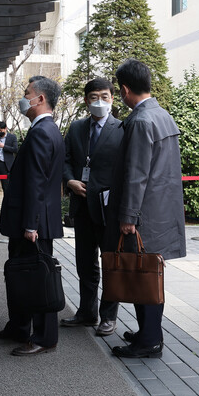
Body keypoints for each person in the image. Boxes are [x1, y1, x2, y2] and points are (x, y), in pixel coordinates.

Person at [105, 59, 186, 359]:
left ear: (125, 90)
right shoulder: (161, 115)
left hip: (143, 214)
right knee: (150, 273)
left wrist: (128, 217)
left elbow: (136, 174)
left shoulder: (140, 121)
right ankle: (148, 332)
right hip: (161, 210)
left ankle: (150, 340)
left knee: (145, 275)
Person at [0, 76, 65, 356]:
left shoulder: (42, 132)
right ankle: (20, 326)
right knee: (22, 275)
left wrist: (30, 224)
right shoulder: (48, 130)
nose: (23, 98)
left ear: (41, 99)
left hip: (33, 222)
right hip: (31, 220)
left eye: (27, 94)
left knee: (39, 279)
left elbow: (37, 182)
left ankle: (45, 338)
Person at [61, 78, 124, 337]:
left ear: (112, 98)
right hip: (82, 207)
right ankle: (87, 312)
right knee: (85, 263)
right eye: (94, 97)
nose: (100, 101)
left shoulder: (123, 128)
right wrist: (70, 181)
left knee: (110, 263)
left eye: (105, 96)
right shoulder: (75, 129)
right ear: (86, 100)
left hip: (109, 210)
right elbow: (65, 160)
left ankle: (109, 317)